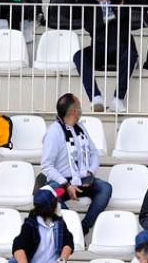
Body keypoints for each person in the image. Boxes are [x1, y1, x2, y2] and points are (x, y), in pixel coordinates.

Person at [67, 0, 148, 113]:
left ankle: (118, 99)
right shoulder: (86, 2)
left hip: (121, 45)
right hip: (99, 48)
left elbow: (147, 4)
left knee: (131, 55)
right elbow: (67, 12)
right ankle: (96, 98)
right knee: (79, 56)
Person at [41, 94, 113, 232]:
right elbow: (46, 166)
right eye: (79, 106)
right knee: (50, 195)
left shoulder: (80, 127)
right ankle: (71, 229)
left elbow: (93, 152)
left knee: (105, 188)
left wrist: (90, 173)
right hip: (62, 185)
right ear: (74, 111)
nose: (81, 109)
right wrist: (66, 184)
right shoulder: (54, 133)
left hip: (82, 181)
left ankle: (83, 228)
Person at [12, 188, 75, 263]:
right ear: (51, 207)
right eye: (56, 202)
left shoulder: (59, 223)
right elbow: (18, 246)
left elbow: (68, 241)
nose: (58, 204)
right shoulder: (30, 225)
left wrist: (61, 260)